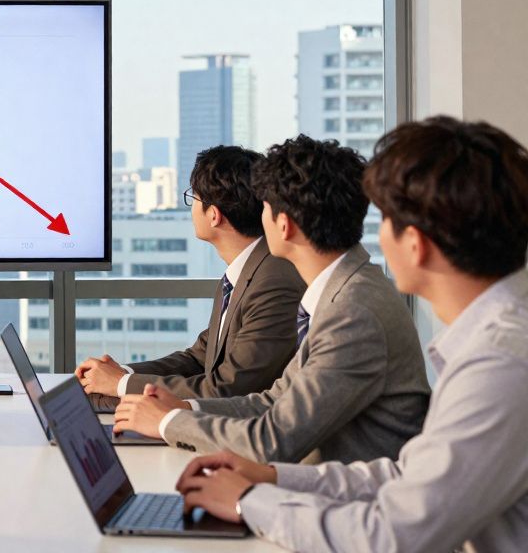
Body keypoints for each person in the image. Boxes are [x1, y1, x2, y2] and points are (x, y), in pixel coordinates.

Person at [176, 116, 528, 552]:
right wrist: (273, 478)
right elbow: (406, 475)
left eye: (386, 220)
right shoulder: (494, 343)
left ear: (415, 244)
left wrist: (252, 502)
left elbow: (394, 535)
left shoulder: (499, 364)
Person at [113, 135, 430, 464]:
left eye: (263, 206)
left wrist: (167, 423)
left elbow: (274, 439)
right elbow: (272, 401)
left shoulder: (352, 312)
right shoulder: (341, 292)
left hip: (347, 500)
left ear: (283, 224)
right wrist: (183, 409)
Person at [76, 146, 303, 402]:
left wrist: (121, 384)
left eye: (193, 198)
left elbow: (228, 387)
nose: (192, 209)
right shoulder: (243, 273)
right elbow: (199, 357)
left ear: (214, 215)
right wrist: (121, 374)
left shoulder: (273, 282)